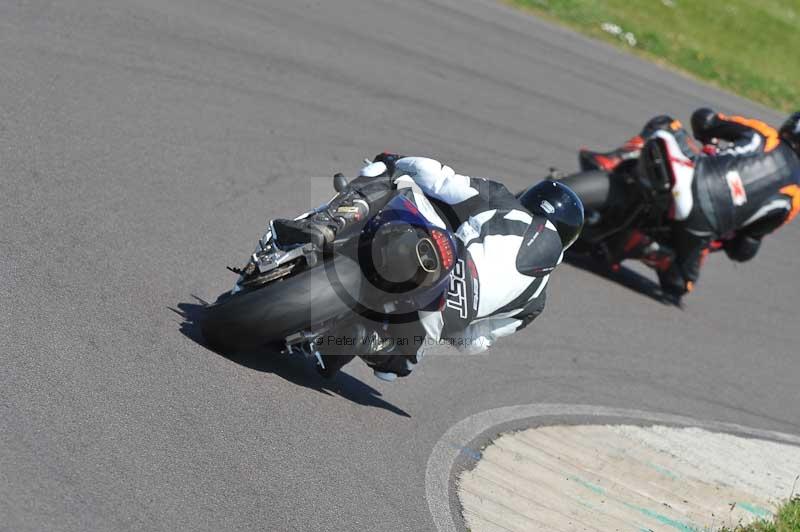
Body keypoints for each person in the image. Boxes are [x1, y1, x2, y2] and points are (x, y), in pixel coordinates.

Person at [273, 155, 583, 381]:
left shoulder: (504, 201)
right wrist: (453, 325)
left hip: (441, 258)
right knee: (398, 366)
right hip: (444, 316)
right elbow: (475, 343)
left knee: (390, 177)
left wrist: (396, 160)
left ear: (530, 197)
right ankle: (369, 341)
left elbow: (440, 179)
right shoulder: (536, 304)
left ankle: (328, 223)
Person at [582, 110, 800, 300]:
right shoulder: (794, 198)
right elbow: (745, 247)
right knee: (680, 284)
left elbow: (705, 119)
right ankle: (651, 249)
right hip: (702, 227)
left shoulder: (764, 134)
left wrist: (708, 139)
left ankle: (613, 160)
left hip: (693, 176)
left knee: (666, 124)